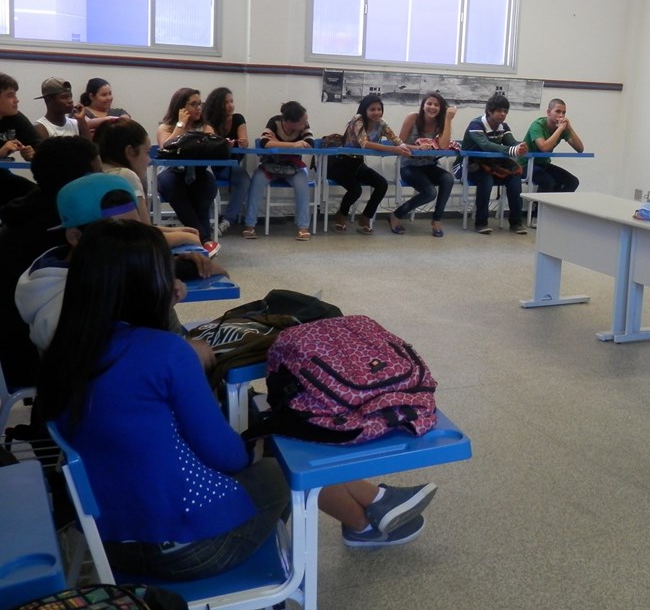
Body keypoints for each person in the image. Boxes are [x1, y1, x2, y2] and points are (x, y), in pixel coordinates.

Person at [37, 220, 439, 580]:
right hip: (187, 547)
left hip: (110, 544)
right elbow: (225, 456)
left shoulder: (68, 349)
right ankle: (365, 519)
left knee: (267, 435)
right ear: (146, 284)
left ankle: (372, 511)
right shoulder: (164, 353)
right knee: (282, 459)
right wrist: (258, 447)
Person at [16, 174, 220, 368]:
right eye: (119, 234)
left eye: (136, 229)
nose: (134, 244)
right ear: (75, 237)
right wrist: (178, 351)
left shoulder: (96, 267)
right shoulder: (60, 307)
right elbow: (114, 371)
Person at [0, 136, 101, 389]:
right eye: (97, 175)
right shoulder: (64, 225)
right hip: (41, 358)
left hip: (16, 350)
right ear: (81, 181)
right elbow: (118, 267)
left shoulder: (29, 211)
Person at [97, 118, 201, 247]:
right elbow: (145, 237)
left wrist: (174, 230)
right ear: (129, 151)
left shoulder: (101, 171)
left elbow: (139, 227)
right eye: (146, 153)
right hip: (124, 254)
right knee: (194, 242)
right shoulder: (125, 175)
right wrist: (186, 237)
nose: (149, 160)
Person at [328, 94, 411, 235]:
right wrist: (394, 149)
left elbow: (395, 139)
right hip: (339, 163)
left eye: (379, 109)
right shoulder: (358, 119)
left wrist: (404, 147)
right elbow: (364, 143)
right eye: (372, 109)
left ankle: (365, 217)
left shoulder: (382, 123)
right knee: (356, 190)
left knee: (381, 184)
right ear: (365, 110)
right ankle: (341, 215)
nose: (377, 112)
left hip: (357, 163)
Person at [156, 87, 221, 257]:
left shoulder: (206, 128)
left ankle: (201, 242)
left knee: (206, 186)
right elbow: (165, 148)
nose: (199, 108)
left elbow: (212, 149)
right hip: (172, 174)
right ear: (181, 107)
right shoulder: (166, 127)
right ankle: (204, 241)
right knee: (171, 186)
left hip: (198, 173)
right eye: (193, 104)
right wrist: (180, 125)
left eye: (200, 104)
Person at [243, 101, 314, 241]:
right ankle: (249, 225)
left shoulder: (304, 125)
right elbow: (264, 143)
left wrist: (276, 142)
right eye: (302, 122)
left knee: (303, 185)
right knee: (256, 182)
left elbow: (310, 144)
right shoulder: (274, 122)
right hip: (271, 165)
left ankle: (303, 227)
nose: (305, 124)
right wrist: (294, 145)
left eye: (306, 120)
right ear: (288, 122)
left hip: (294, 167)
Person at [389, 92, 456, 237]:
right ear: (423, 106)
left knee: (448, 178)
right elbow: (398, 143)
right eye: (429, 103)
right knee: (430, 192)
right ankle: (396, 215)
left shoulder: (440, 122)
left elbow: (444, 146)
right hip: (408, 165)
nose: (432, 107)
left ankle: (437, 220)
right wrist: (417, 148)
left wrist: (448, 119)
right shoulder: (413, 117)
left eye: (437, 105)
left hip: (428, 165)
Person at [461, 94, 529, 235]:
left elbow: (512, 142)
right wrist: (512, 150)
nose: (503, 114)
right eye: (499, 111)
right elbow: (486, 145)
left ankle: (516, 223)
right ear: (489, 111)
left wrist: (521, 146)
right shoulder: (476, 124)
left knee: (515, 178)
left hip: (491, 166)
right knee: (486, 179)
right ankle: (481, 223)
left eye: (505, 111)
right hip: (468, 166)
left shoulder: (503, 126)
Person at [203, 86, 251, 232]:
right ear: (218, 105)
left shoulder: (238, 118)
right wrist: (223, 144)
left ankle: (227, 220)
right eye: (226, 102)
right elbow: (211, 140)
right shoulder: (209, 121)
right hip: (210, 167)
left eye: (232, 101)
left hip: (228, 166)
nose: (231, 105)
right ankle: (209, 222)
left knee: (245, 180)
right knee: (203, 182)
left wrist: (239, 143)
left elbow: (244, 142)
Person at [521, 98, 584, 194]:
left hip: (544, 164)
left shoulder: (561, 127)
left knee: (573, 182)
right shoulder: (537, 125)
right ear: (548, 112)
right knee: (548, 182)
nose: (561, 115)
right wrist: (560, 129)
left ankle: (553, 206)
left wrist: (569, 128)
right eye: (558, 111)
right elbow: (544, 148)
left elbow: (580, 149)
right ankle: (538, 208)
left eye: (564, 112)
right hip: (526, 165)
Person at [0, 73, 41, 206]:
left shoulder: (15, 118)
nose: (17, 100)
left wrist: (32, 154)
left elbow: (40, 146)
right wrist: (1, 151)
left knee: (38, 197)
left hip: (2, 178)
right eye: (10, 96)